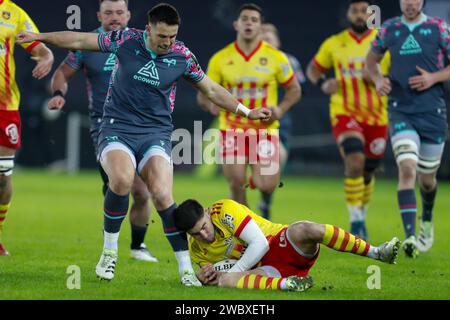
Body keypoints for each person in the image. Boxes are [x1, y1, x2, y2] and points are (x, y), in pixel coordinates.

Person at [16, 3, 272, 285]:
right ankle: (109, 253)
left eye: (172, 36)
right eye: (162, 36)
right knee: (123, 180)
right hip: (117, 128)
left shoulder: (182, 56)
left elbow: (211, 89)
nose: (167, 42)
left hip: (156, 133)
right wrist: (41, 37)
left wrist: (247, 112)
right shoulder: (126, 40)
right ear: (149, 29)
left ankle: (186, 269)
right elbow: (78, 39)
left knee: (162, 194)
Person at [47, 0, 157, 263]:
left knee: (142, 192)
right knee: (118, 186)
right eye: (108, 13)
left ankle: (138, 246)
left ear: (129, 14)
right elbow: (62, 73)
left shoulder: (145, 42)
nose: (115, 17)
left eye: (120, 12)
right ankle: (111, 244)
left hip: (141, 125)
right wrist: (59, 93)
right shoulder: (88, 44)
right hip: (105, 126)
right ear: (99, 15)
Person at [197, 4, 302, 219]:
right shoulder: (221, 58)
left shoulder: (276, 58)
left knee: (267, 185)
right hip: (232, 129)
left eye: (254, 20)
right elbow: (203, 93)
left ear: (260, 26)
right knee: (236, 184)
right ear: (236, 24)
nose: (249, 23)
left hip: (264, 130)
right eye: (244, 19)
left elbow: (294, 89)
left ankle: (263, 197)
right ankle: (249, 229)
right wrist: (210, 105)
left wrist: (280, 109)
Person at [366, 0, 450, 258]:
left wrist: (432, 78)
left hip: (433, 112)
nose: (410, 3)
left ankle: (427, 216)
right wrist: (379, 79)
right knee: (407, 168)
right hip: (400, 110)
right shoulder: (389, 28)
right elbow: (371, 61)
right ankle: (410, 236)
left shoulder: (439, 28)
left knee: (427, 180)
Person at [173, 198, 401, 292]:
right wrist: (207, 278)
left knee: (306, 228)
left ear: (206, 213)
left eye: (204, 226)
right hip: (268, 271)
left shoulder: (223, 210)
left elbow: (259, 243)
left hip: (280, 244)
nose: (203, 234)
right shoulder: (196, 250)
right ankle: (288, 284)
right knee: (226, 282)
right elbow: (223, 272)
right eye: (196, 233)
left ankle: (377, 252)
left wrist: (236, 269)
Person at [306, 0, 390, 240]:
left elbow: (396, 73)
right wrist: (324, 83)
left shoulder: (383, 43)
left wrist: (383, 79)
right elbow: (313, 69)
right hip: (344, 112)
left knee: (368, 171)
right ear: (348, 14)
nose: (360, 15)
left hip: (377, 115)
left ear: (371, 14)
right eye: (355, 10)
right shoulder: (334, 43)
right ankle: (356, 221)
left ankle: (361, 211)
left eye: (365, 11)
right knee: (354, 160)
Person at [0, 0, 54, 256]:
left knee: (2, 178)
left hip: (5, 108)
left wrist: (46, 57)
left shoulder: (14, 13)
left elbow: (40, 48)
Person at [256, 22, 306, 220]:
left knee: (275, 166)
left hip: (278, 125)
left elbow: (299, 89)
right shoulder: (245, 62)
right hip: (246, 126)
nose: (266, 41)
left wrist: (281, 108)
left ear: (278, 41)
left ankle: (265, 202)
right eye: (263, 38)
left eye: (270, 38)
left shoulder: (288, 61)